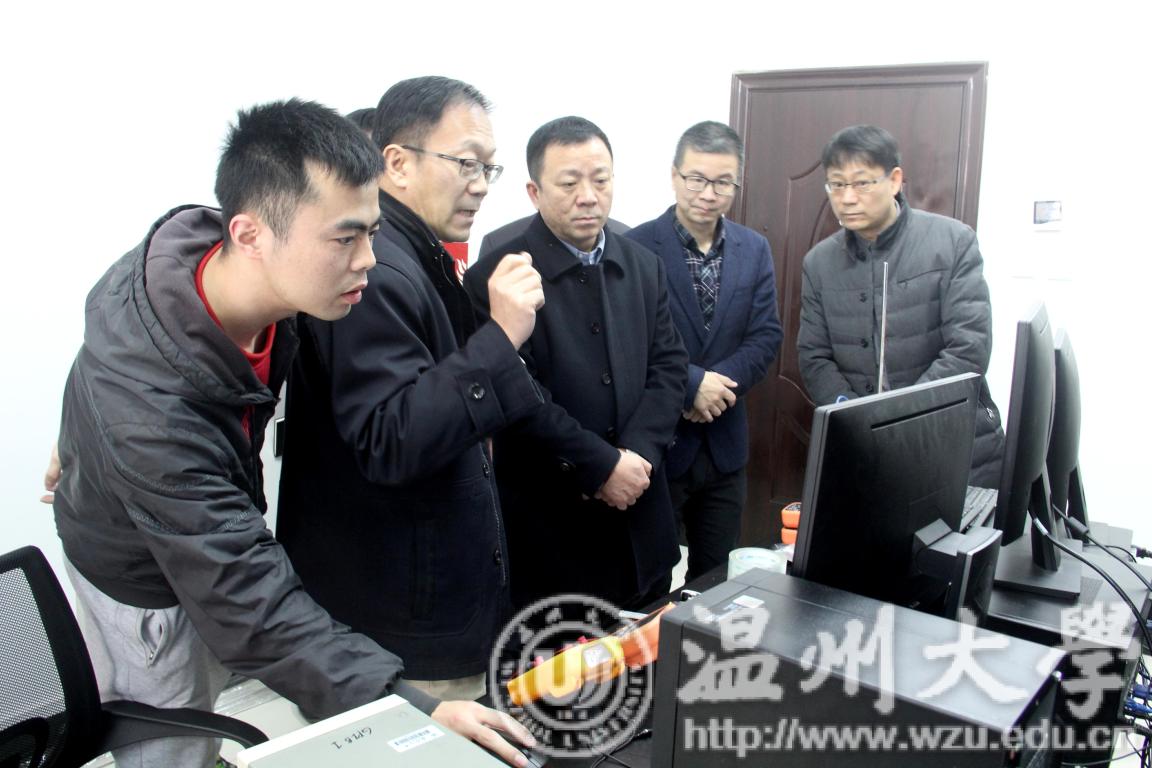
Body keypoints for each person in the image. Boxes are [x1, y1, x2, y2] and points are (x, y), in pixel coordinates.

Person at [46, 98, 533, 768]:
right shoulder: (150, 419)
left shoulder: (222, 267)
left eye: (371, 232)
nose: (368, 260)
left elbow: (105, 342)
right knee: (175, 744)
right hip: (143, 583)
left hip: (198, 522)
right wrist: (409, 705)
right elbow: (248, 602)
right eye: (345, 239)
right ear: (250, 234)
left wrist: (79, 440)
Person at [276, 77, 545, 703]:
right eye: (466, 164)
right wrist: (502, 336)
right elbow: (392, 439)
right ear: (396, 163)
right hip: (400, 612)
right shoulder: (378, 270)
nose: (481, 184)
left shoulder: (416, 253)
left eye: (489, 168)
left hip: (418, 591)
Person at [464, 116, 688, 611]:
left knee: (648, 646)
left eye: (600, 180)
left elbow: (670, 366)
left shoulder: (642, 264)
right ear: (534, 192)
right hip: (552, 533)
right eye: (569, 183)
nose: (588, 196)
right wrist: (601, 467)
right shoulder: (496, 277)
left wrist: (636, 456)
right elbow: (516, 394)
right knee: (561, 655)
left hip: (642, 517)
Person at [797, 124, 1004, 486]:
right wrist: (854, 418)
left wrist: (901, 419)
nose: (847, 197)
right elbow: (814, 356)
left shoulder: (953, 242)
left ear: (894, 180)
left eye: (862, 183)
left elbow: (969, 348)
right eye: (836, 185)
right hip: (863, 451)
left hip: (953, 447)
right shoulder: (819, 262)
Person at [626, 121, 782, 581]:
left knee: (715, 582)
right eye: (696, 179)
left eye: (722, 182)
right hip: (657, 443)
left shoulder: (754, 248)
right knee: (650, 579)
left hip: (724, 446)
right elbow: (631, 341)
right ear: (674, 175)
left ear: (737, 184)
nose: (708, 194)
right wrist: (692, 384)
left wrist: (716, 389)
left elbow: (765, 335)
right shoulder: (635, 247)